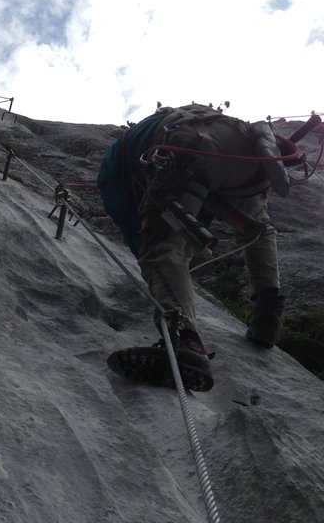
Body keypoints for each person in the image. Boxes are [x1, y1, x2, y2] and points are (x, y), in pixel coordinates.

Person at [100, 103, 287, 387]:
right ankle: (268, 316)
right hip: (247, 148)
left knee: (162, 248)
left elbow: (137, 228)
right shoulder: (195, 114)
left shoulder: (115, 160)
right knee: (257, 228)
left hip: (191, 147)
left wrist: (160, 267)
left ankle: (185, 342)